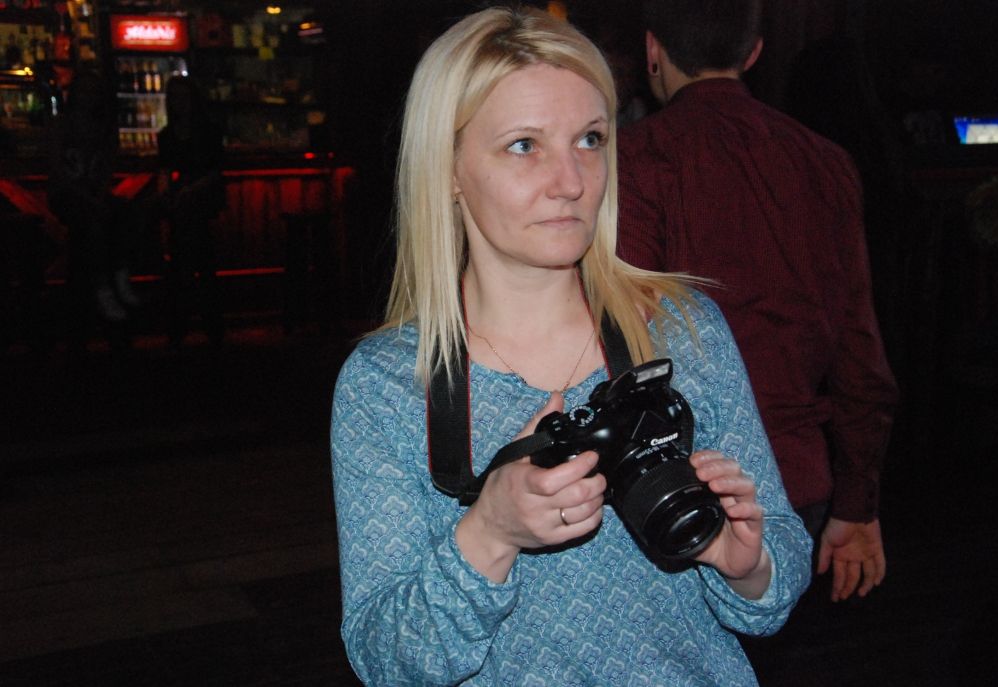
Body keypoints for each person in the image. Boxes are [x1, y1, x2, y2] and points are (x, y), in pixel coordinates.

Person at [330, 7, 811, 686]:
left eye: (589, 139)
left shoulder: (680, 329)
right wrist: (490, 532)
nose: (571, 181)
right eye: (524, 145)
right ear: (448, 168)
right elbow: (386, 660)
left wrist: (746, 565)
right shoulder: (387, 386)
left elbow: (779, 570)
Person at [616, 0, 899, 604]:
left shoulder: (634, 159)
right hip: (795, 475)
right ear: (754, 53)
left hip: (681, 485)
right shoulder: (826, 161)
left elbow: (625, 340)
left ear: (653, 50)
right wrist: (857, 501)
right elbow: (858, 347)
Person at [47, 69, 140, 327]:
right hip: (67, 194)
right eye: (85, 91)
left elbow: (106, 169)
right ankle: (103, 288)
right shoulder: (61, 125)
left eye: (93, 92)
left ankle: (118, 277)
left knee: (125, 213)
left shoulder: (104, 128)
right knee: (94, 223)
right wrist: (93, 200)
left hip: (93, 194)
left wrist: (98, 196)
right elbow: (58, 173)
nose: (89, 96)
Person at [156, 75, 225, 347]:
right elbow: (164, 170)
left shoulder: (207, 132)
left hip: (201, 204)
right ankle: (204, 324)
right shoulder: (168, 135)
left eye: (183, 97)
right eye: (175, 98)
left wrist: (186, 190)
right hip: (186, 205)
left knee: (189, 259)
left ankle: (183, 324)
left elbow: (215, 172)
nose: (179, 103)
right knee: (195, 259)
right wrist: (167, 193)